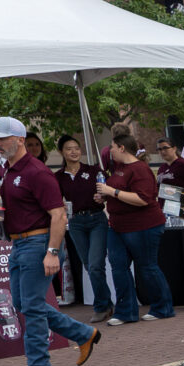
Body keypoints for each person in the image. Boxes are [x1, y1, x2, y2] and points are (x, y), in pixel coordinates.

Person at [0, 118, 101, 366]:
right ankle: (83, 334)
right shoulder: (9, 170)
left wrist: (52, 251)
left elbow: (59, 215)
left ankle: (39, 364)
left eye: (2, 138)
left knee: (32, 307)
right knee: (27, 304)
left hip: (36, 244)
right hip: (20, 244)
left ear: (18, 139)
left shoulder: (36, 172)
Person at [97, 129, 174, 323]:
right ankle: (126, 311)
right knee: (118, 267)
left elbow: (143, 198)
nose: (110, 151)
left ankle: (162, 307)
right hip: (118, 226)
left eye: (112, 147)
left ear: (122, 148)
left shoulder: (140, 169)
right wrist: (104, 195)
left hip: (143, 226)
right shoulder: (119, 168)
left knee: (147, 266)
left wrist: (111, 192)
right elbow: (120, 192)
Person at [52, 135, 114, 318]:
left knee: (95, 265)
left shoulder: (94, 171)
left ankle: (102, 307)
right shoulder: (58, 177)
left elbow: (108, 191)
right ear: (61, 152)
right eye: (69, 149)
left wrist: (103, 197)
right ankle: (107, 303)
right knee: (89, 265)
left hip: (96, 219)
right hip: (76, 223)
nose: (74, 152)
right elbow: (54, 200)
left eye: (77, 148)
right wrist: (60, 205)